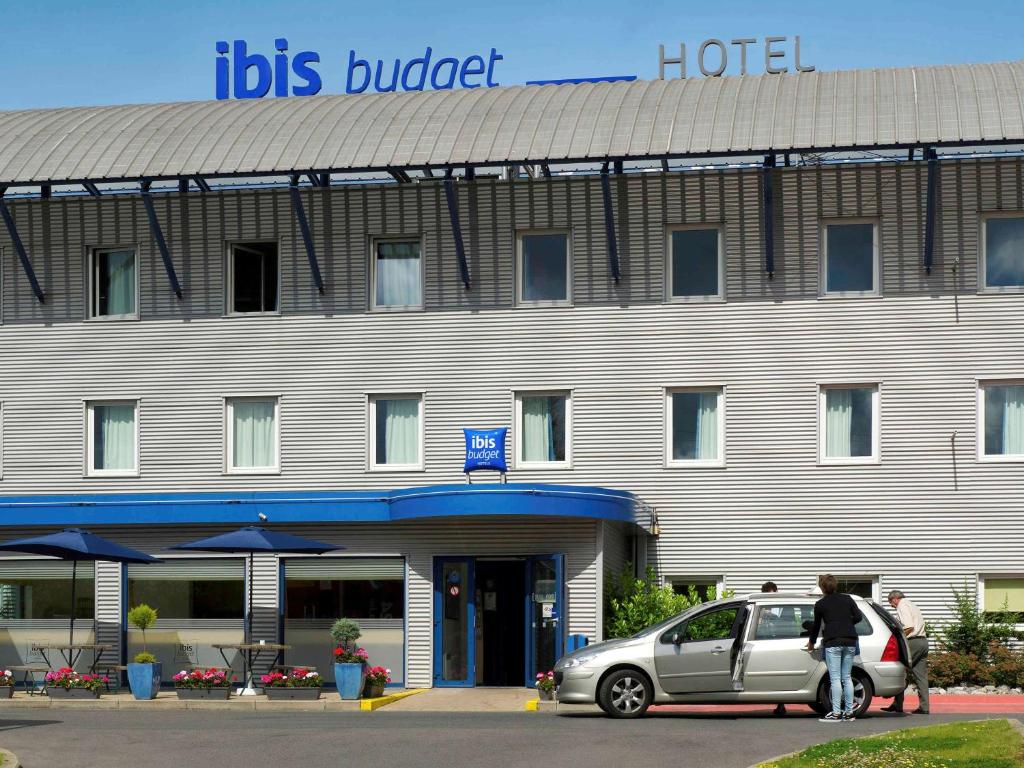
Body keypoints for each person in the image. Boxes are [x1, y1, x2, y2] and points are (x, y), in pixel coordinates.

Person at [806, 574, 863, 722]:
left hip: (833, 641)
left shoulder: (820, 604)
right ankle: (849, 713)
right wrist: (845, 622)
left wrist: (811, 643)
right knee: (847, 677)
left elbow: (817, 625)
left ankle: (836, 713)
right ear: (835, 585)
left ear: (822, 587)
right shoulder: (848, 599)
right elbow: (858, 617)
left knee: (836, 678)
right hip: (850, 640)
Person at [882, 590, 930, 714]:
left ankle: (897, 704)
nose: (892, 606)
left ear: (894, 599)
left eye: (890, 603)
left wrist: (899, 638)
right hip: (923, 641)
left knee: (900, 670)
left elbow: (909, 626)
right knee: (921, 677)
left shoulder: (902, 605)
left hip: (912, 642)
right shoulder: (912, 604)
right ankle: (924, 707)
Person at [759, 581, 787, 716]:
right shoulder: (761, 607)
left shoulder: (781, 606)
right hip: (763, 641)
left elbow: (787, 623)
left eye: (773, 594)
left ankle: (781, 703)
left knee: (779, 673)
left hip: (779, 641)